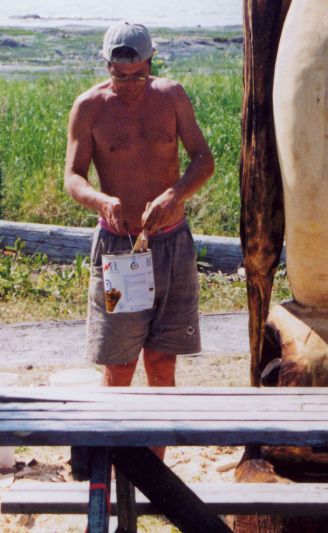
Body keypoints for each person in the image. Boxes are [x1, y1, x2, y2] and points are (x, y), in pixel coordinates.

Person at [64, 21, 215, 402]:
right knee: (119, 366)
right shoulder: (89, 107)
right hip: (121, 250)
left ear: (151, 62)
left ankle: (152, 463)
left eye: (138, 75)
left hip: (173, 246)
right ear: (106, 66)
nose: (130, 85)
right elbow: (73, 177)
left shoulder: (172, 96)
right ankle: (114, 462)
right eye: (120, 76)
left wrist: (176, 193)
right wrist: (101, 200)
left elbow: (203, 159)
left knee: (163, 363)